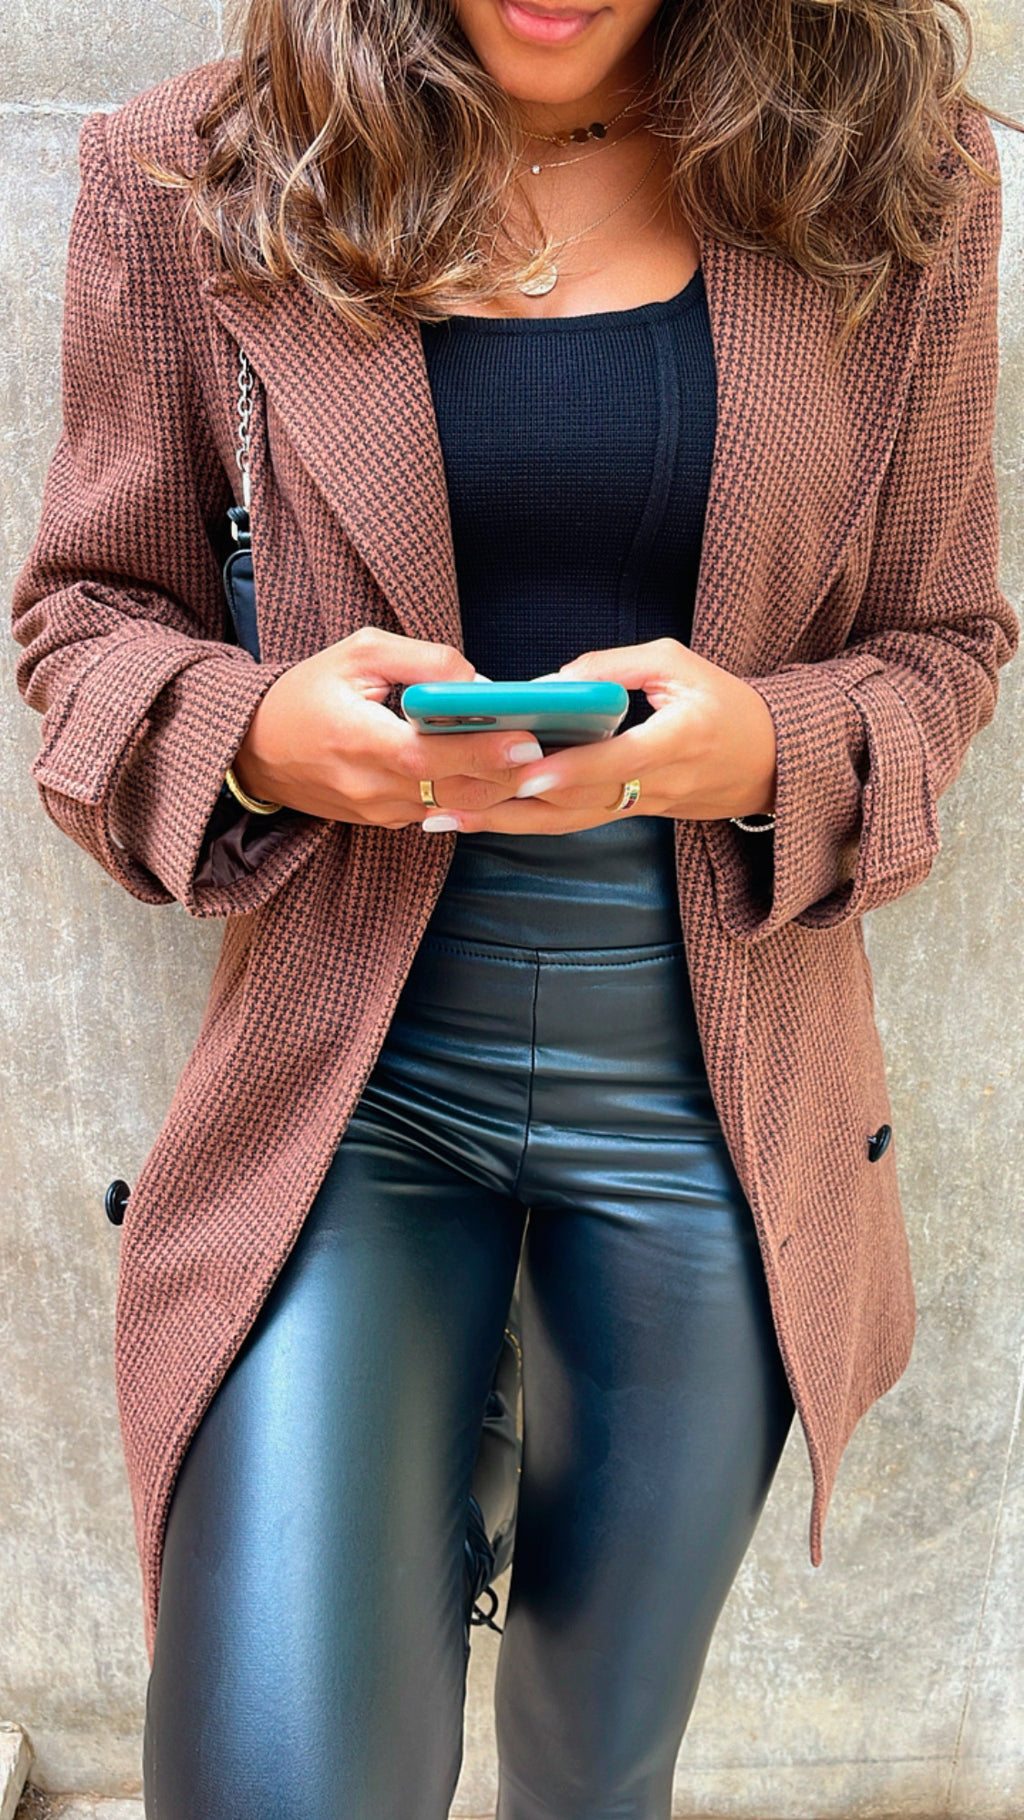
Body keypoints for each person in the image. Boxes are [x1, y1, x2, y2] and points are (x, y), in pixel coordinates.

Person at [11, 0, 1018, 1812]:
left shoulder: (905, 178)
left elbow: (947, 643)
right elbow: (81, 621)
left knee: (589, 1765)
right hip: (354, 1089)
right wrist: (262, 735)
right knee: (274, 1779)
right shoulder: (197, 178)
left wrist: (763, 746)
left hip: (718, 1104)